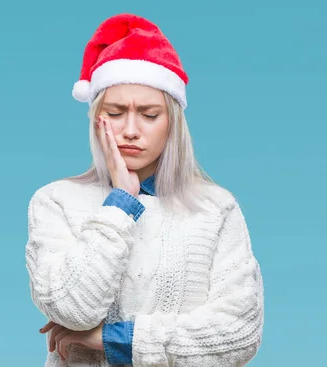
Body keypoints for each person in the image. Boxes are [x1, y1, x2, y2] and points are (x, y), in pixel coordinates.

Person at [24, 13, 264, 367]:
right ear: (96, 118)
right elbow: (72, 307)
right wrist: (120, 203)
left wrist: (111, 339)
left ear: (172, 123)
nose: (131, 130)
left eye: (149, 114)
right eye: (116, 112)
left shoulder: (216, 209)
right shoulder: (55, 201)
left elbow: (238, 333)